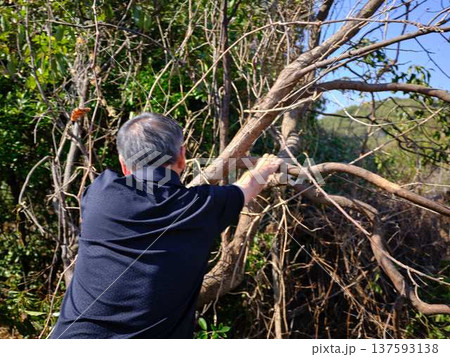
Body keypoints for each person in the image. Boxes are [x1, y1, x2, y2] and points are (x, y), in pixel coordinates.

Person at [50, 112, 282, 338]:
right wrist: (266, 166)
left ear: (123, 164)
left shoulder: (98, 192)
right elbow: (248, 186)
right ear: (182, 156)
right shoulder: (201, 207)